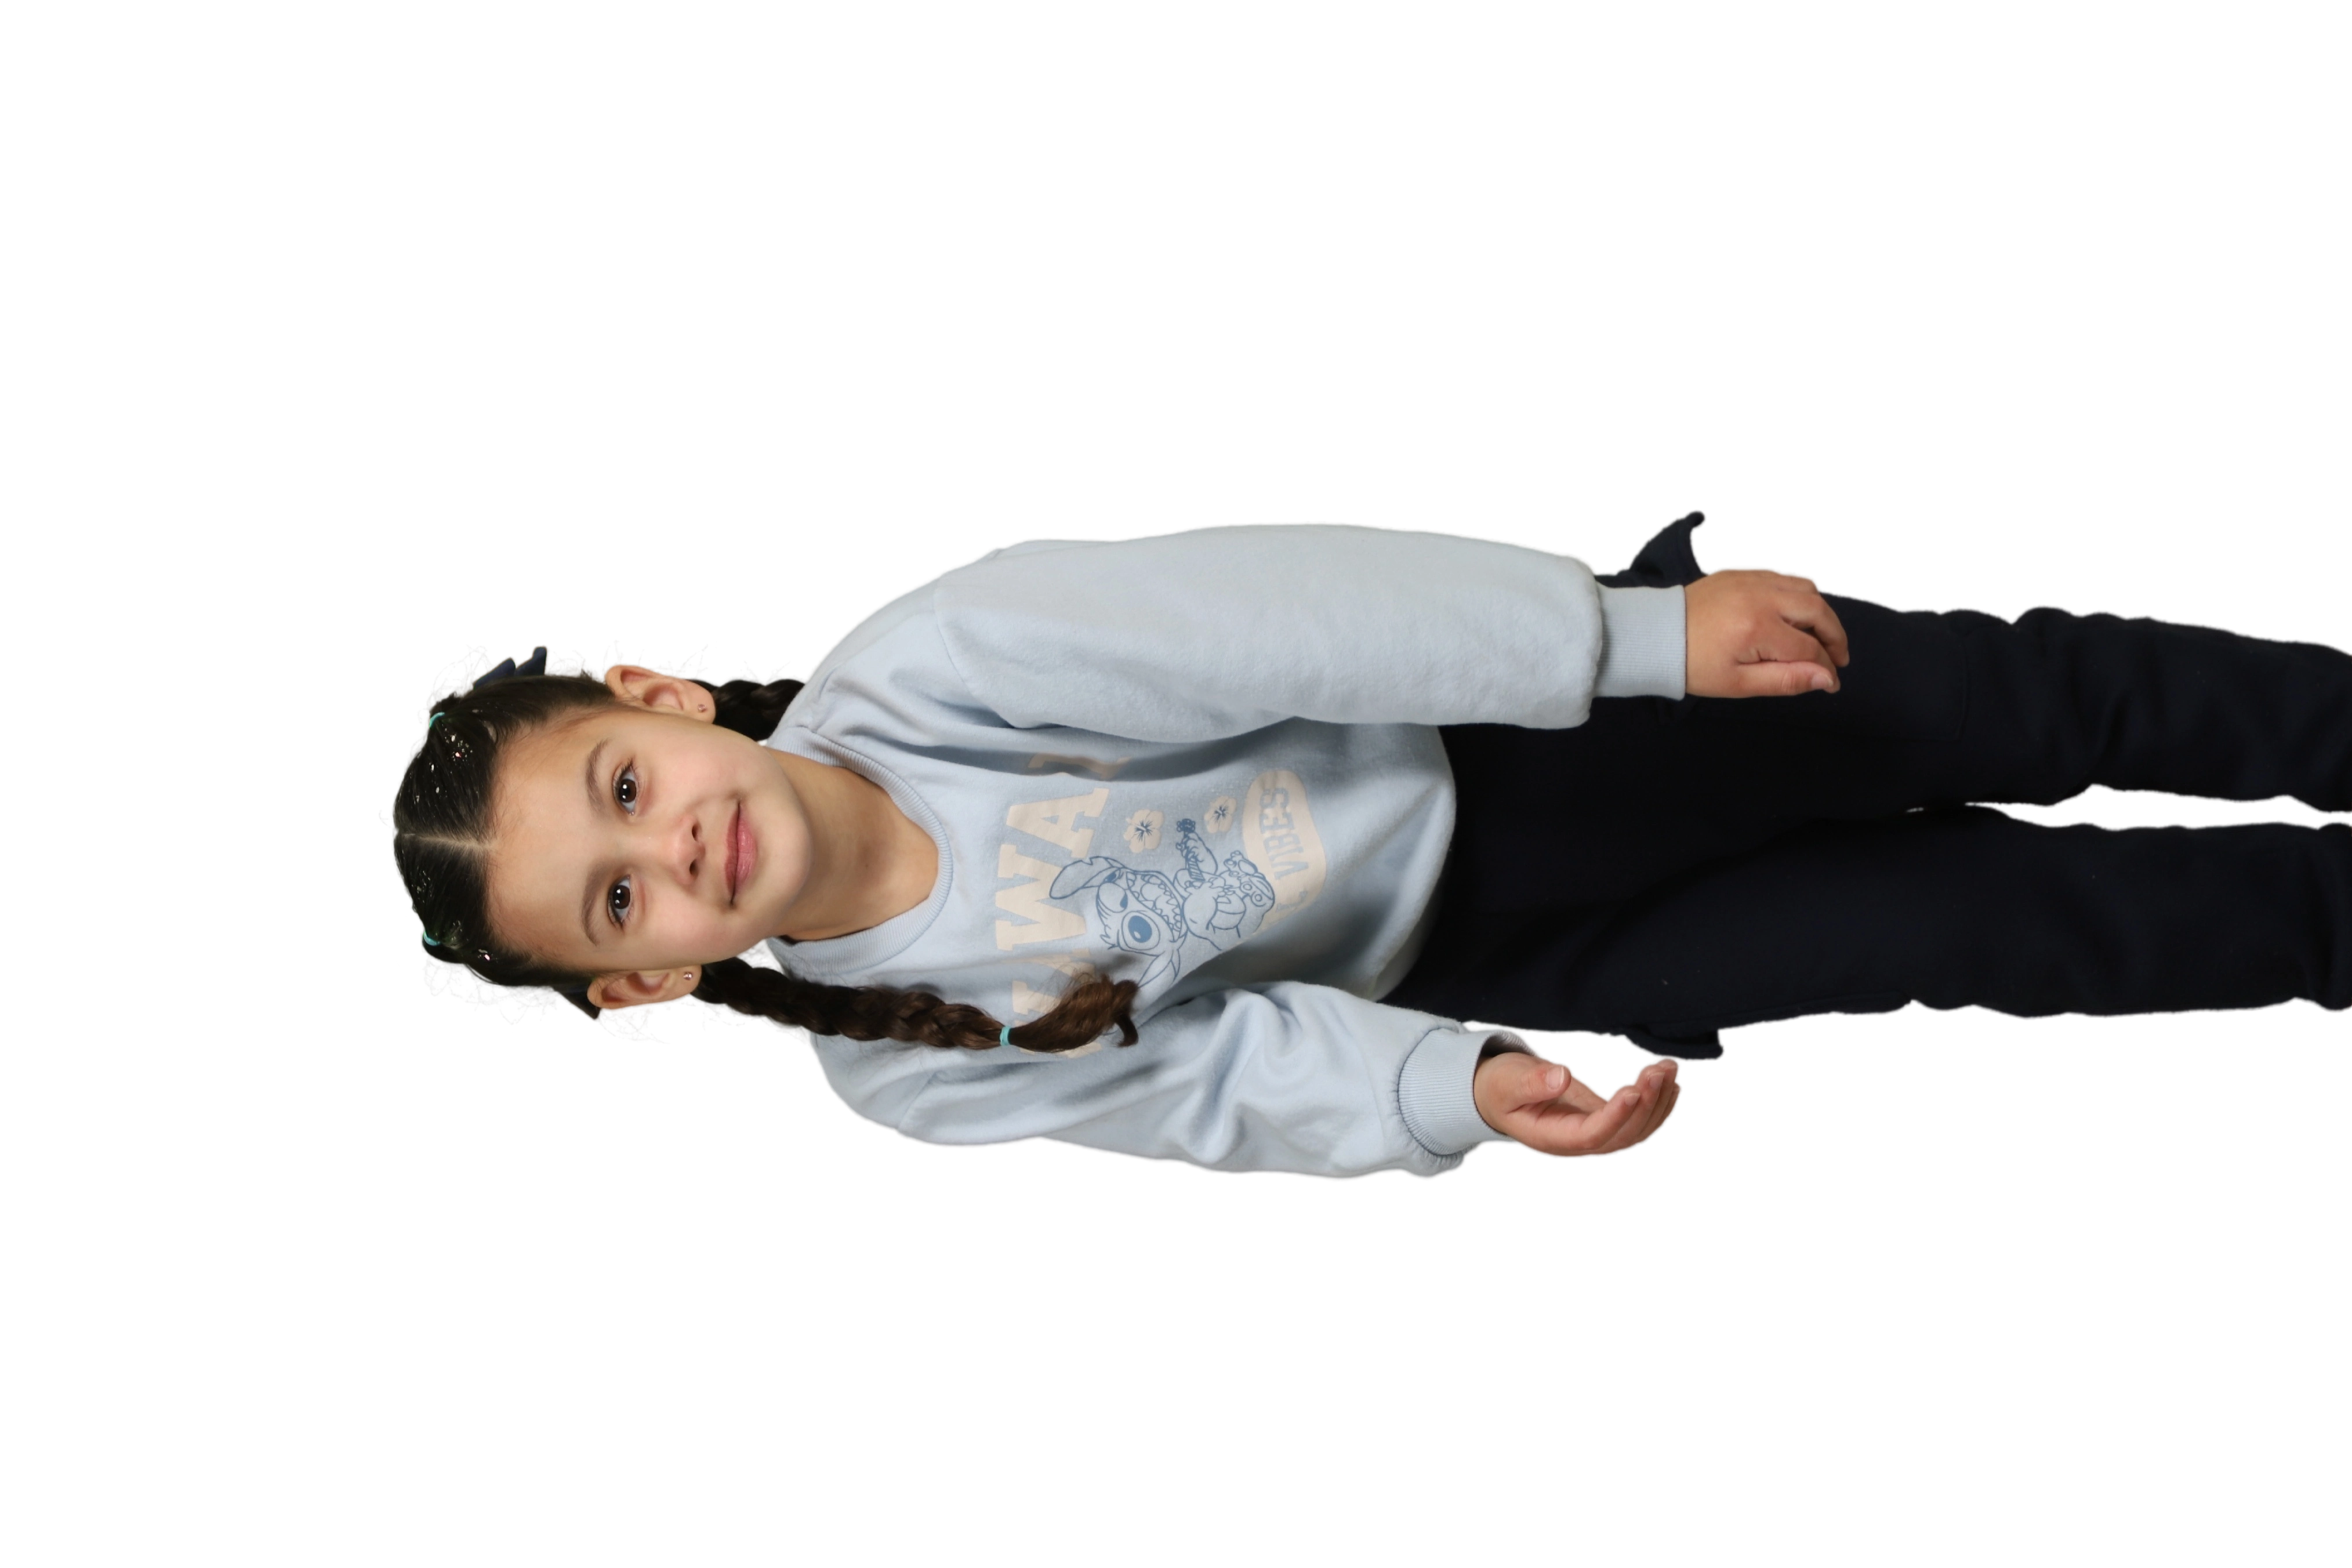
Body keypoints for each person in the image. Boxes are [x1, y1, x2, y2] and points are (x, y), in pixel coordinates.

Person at [383, 513, 2352, 1180]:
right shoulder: (898, 1065)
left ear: (657, 697)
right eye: (617, 900)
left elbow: (1294, 617)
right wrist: (1453, 1092)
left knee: (2028, 705)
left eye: (622, 789)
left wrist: (1632, 641)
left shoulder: (938, 663)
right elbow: (1218, 1088)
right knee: (2000, 930)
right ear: (644, 977)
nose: (674, 848)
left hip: (1526, 729)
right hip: (1501, 954)